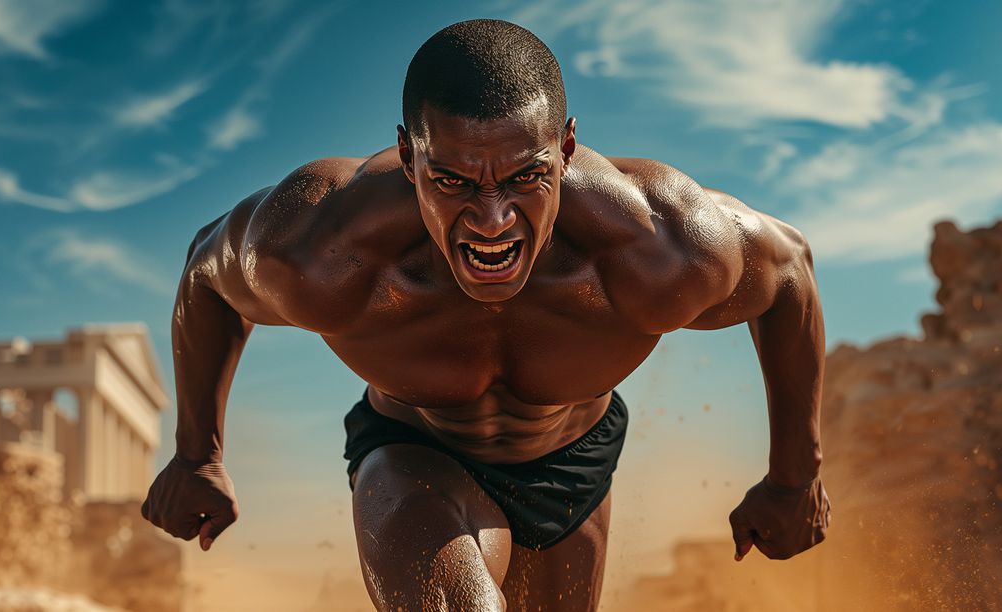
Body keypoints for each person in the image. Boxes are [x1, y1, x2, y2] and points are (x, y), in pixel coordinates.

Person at [141, 18, 831, 611]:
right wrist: (197, 453)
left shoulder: (657, 248)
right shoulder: (323, 249)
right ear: (410, 158)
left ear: (564, 150)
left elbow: (790, 270)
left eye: (525, 177)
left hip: (574, 467)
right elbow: (207, 270)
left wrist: (795, 476)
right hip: (415, 453)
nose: (492, 221)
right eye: (454, 181)